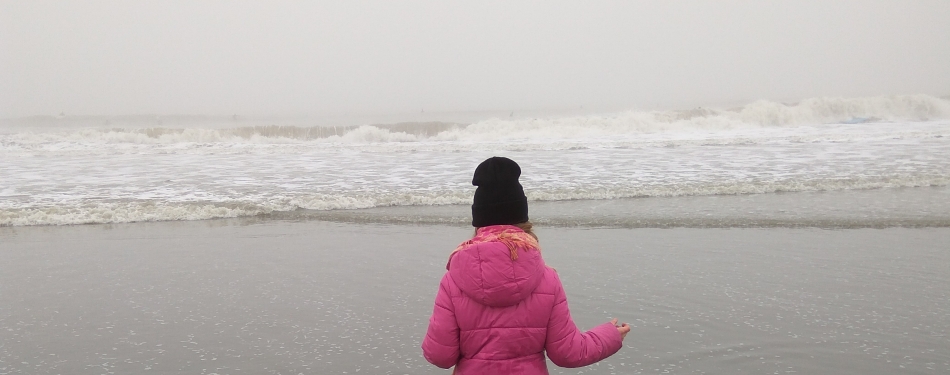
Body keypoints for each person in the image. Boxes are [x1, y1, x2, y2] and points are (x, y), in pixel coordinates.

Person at [422, 156, 630, 374]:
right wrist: (609, 336)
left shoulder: (454, 279)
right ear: (523, 220)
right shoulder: (547, 278)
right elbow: (567, 352)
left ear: (479, 222)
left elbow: (439, 355)